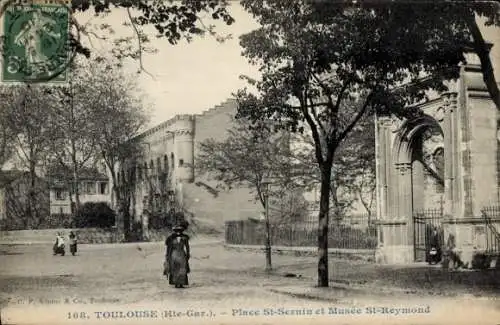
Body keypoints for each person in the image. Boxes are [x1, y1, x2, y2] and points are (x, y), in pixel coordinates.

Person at [165, 221, 190, 288]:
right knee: (175, 268)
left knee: (182, 268)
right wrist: (168, 255)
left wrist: (188, 253)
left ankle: (181, 283)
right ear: (175, 231)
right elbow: (169, 247)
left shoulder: (185, 238)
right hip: (174, 254)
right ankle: (176, 283)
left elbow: (187, 246)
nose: (178, 232)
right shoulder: (171, 238)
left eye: (180, 231)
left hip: (181, 254)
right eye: (177, 231)